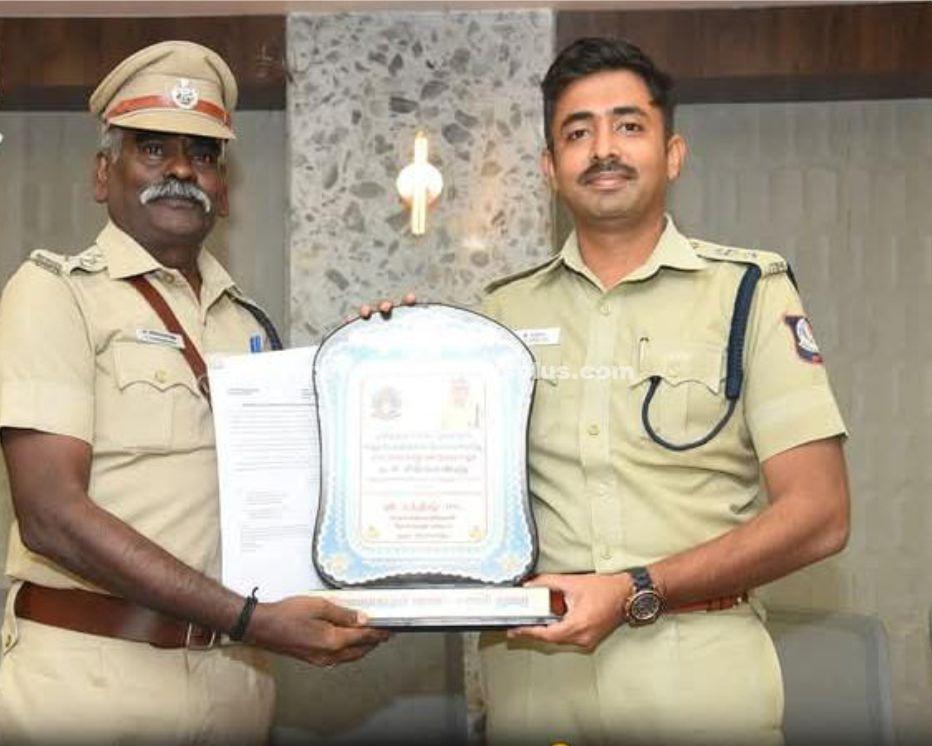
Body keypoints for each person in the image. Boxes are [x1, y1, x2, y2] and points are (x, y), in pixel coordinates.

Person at [0, 41, 389, 744]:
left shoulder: (251, 326)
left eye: (203, 155)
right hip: (88, 683)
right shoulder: (54, 295)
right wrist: (250, 619)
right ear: (103, 173)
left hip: (235, 685)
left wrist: (388, 362)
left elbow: (296, 496)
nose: (181, 169)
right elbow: (51, 515)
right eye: (153, 148)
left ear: (224, 187)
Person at [470, 37, 850, 745]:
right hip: (534, 683)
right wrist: (384, 353)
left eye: (628, 125)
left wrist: (636, 587)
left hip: (699, 679)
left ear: (672, 154)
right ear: (550, 169)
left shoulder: (748, 293)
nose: (602, 149)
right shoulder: (498, 313)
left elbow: (820, 514)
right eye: (577, 133)